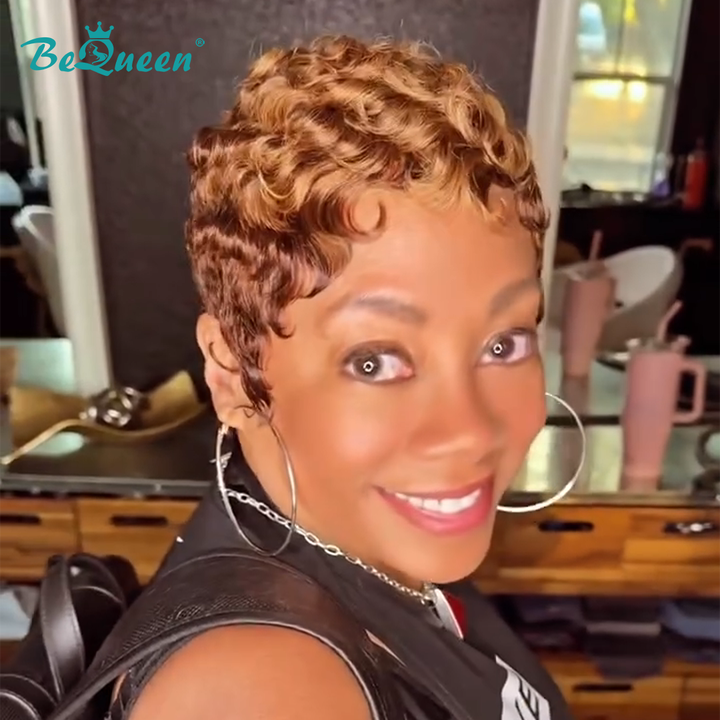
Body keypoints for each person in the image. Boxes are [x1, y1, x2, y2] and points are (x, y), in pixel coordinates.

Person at [121, 34, 577, 720]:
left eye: (502, 343)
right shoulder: (256, 691)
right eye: (375, 361)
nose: (469, 432)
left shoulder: (368, 550)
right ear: (234, 373)